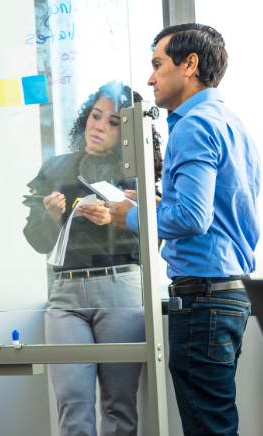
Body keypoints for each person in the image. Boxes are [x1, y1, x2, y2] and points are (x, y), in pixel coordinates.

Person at [107, 24, 260, 435]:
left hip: (204, 299)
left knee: (208, 427)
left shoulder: (193, 125)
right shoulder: (232, 123)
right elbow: (218, 212)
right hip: (230, 293)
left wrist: (133, 218)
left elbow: (194, 219)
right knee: (216, 420)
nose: (150, 78)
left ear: (189, 64)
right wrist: (159, 207)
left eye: (157, 65)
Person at [23, 82, 163, 436]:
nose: (98, 125)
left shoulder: (137, 173)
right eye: (95, 115)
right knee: (72, 403)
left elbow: (156, 237)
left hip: (121, 290)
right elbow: (38, 242)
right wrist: (51, 218)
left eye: (113, 122)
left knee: (119, 405)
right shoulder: (56, 167)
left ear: (129, 131)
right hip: (65, 295)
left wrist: (118, 220)